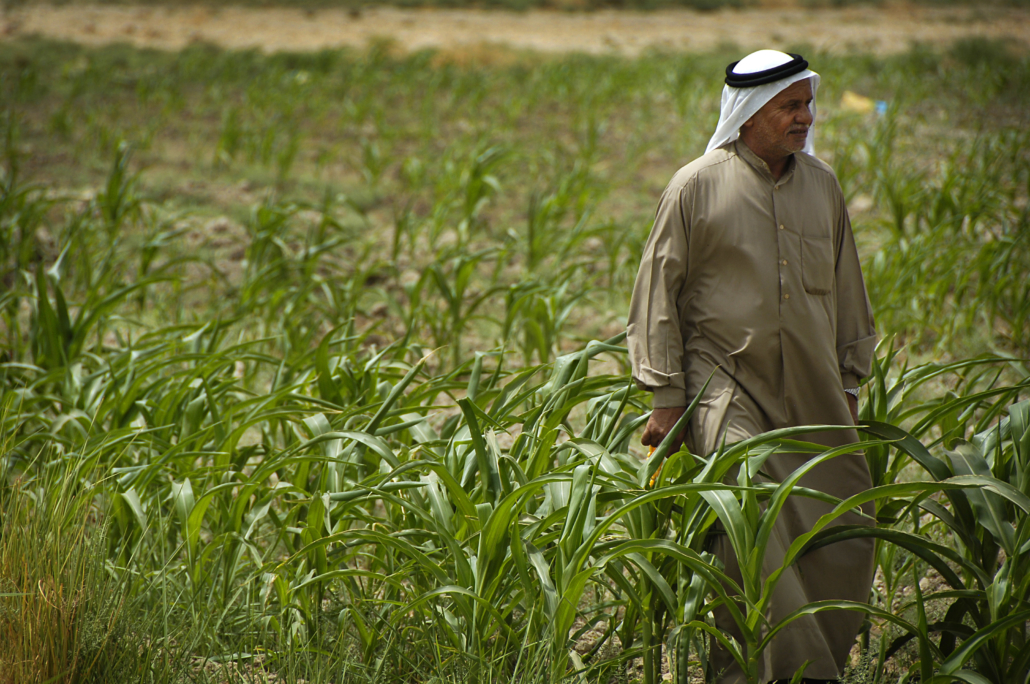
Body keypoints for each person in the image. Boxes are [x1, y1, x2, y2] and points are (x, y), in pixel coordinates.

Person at [626, 50, 877, 684]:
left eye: (807, 104)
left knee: (842, 527)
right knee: (750, 515)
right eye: (789, 106)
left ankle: (807, 666)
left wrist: (850, 379)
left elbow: (847, 287)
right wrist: (666, 395)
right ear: (748, 114)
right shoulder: (696, 186)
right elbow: (658, 290)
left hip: (815, 388)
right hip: (724, 386)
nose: (805, 117)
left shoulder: (822, 185)